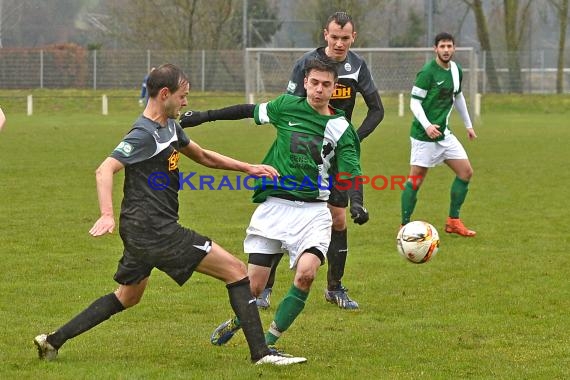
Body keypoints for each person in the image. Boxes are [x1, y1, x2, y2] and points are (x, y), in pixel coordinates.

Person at [33, 63, 306, 366]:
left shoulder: (170, 127)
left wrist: (248, 167)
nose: (186, 102)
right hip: (155, 230)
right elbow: (105, 169)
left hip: (141, 231)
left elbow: (203, 156)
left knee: (127, 296)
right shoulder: (143, 134)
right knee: (237, 271)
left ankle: (52, 341)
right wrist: (106, 214)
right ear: (165, 94)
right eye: (183, 96)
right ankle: (262, 354)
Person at [181, 11, 383, 311]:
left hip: (336, 150)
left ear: (353, 38)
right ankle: (265, 289)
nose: (339, 43)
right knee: (282, 210)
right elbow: (262, 110)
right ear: (325, 35)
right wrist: (203, 117)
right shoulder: (304, 69)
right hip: (299, 154)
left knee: (339, 219)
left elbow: (376, 110)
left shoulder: (357, 68)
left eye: (345, 38)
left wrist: (351, 140)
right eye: (335, 36)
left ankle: (335, 287)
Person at [181, 58, 368, 349]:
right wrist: (204, 116)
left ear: (335, 88)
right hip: (275, 206)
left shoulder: (341, 128)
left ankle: (268, 341)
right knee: (254, 287)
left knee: (306, 274)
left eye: (326, 84)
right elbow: (247, 111)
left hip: (314, 212)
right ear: (305, 82)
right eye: (314, 82)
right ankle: (238, 321)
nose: (319, 89)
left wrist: (357, 202)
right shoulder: (285, 106)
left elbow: (351, 171)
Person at [401, 32, 477, 236]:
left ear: (454, 48)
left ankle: (453, 221)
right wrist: (426, 125)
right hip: (423, 136)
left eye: (449, 46)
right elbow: (414, 102)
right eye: (442, 46)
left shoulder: (456, 70)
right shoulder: (427, 72)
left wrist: (468, 125)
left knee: (466, 172)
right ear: (435, 49)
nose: (446, 50)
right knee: (416, 180)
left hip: (444, 134)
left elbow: (458, 96)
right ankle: (404, 225)